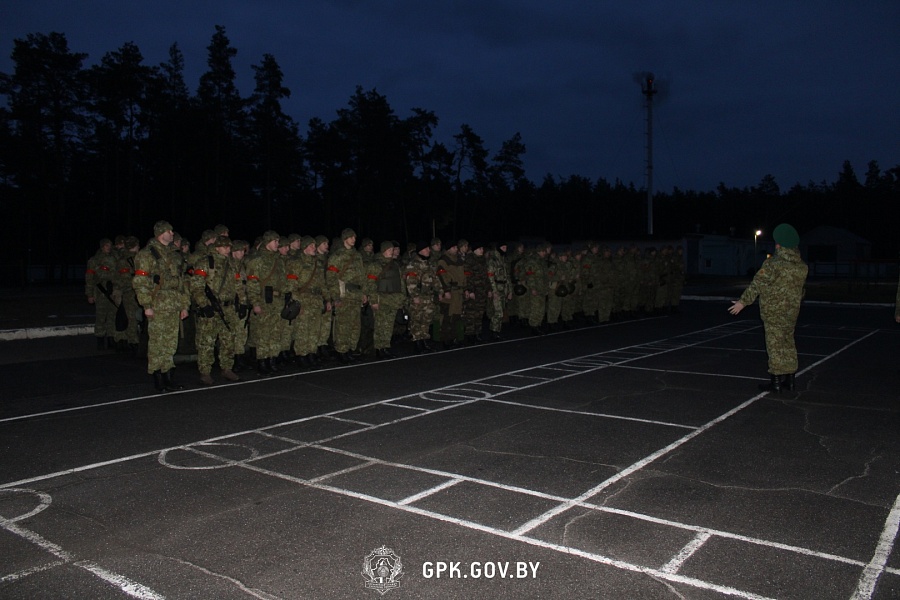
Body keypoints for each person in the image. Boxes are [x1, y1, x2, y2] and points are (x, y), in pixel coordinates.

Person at [728, 223, 808, 393]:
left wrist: (743, 302)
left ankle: (776, 382)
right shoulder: (802, 266)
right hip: (792, 311)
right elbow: (801, 291)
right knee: (788, 342)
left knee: (774, 345)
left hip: (773, 311)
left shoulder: (773, 264)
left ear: (779, 244)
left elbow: (758, 284)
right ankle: (790, 380)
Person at [132, 221, 190, 392]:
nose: (172, 234)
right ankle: (158, 378)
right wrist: (146, 305)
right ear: (160, 233)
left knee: (170, 343)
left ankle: (168, 376)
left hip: (173, 303)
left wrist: (184, 305)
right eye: (169, 231)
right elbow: (140, 282)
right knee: (157, 342)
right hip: (157, 303)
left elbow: (182, 282)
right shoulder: (146, 255)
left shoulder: (175, 255)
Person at [190, 235, 241, 385]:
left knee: (228, 340)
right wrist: (204, 304)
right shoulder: (205, 262)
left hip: (228, 308)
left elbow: (238, 285)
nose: (228, 249)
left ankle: (227, 368)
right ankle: (205, 371)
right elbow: (196, 286)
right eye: (225, 246)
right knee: (207, 341)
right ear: (217, 247)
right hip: (211, 307)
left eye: (229, 247)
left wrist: (242, 302)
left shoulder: (232, 264)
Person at [85, 238, 119, 350]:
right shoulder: (95, 260)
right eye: (106, 245)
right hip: (101, 292)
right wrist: (89, 294)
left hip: (113, 292)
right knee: (101, 317)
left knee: (112, 316)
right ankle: (100, 339)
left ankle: (111, 339)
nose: (108, 247)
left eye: (110, 245)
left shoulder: (115, 258)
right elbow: (89, 278)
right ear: (102, 247)